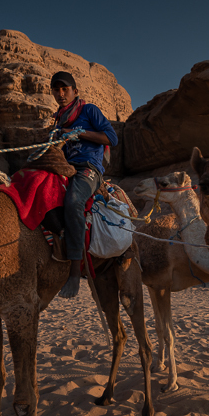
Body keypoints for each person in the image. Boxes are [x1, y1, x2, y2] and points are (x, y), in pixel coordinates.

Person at [49, 71, 118, 299]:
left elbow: (112, 138)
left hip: (89, 167)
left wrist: (78, 134)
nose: (60, 94)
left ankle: (74, 273)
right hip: (65, 167)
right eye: (56, 90)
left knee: (74, 201)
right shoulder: (58, 119)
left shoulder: (89, 111)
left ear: (74, 91)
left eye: (64, 89)